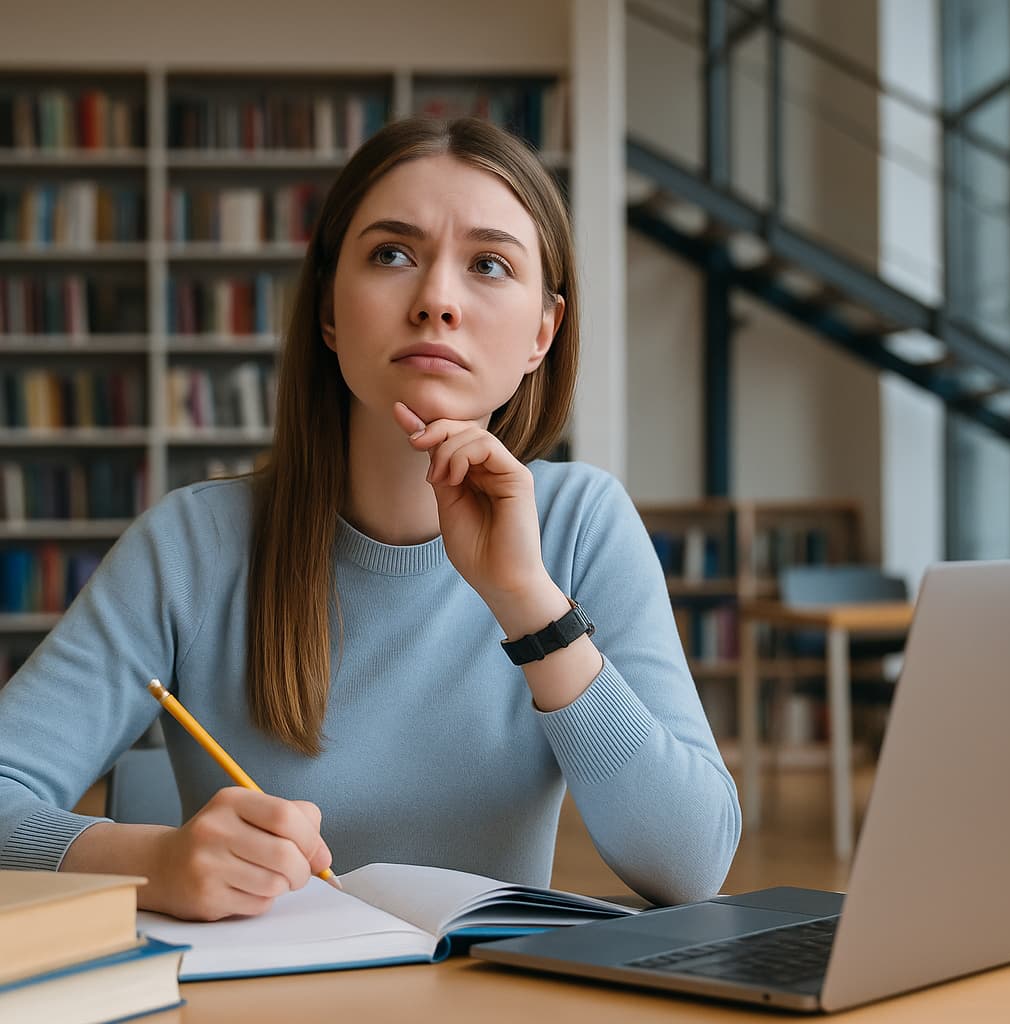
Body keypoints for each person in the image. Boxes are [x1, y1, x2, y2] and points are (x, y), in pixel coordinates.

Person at [0, 117, 740, 921]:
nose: (436, 303)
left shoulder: (584, 526)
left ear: (541, 334)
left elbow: (692, 865)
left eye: (489, 264)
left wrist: (530, 604)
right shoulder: (191, 545)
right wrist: (152, 861)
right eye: (392, 254)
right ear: (327, 310)